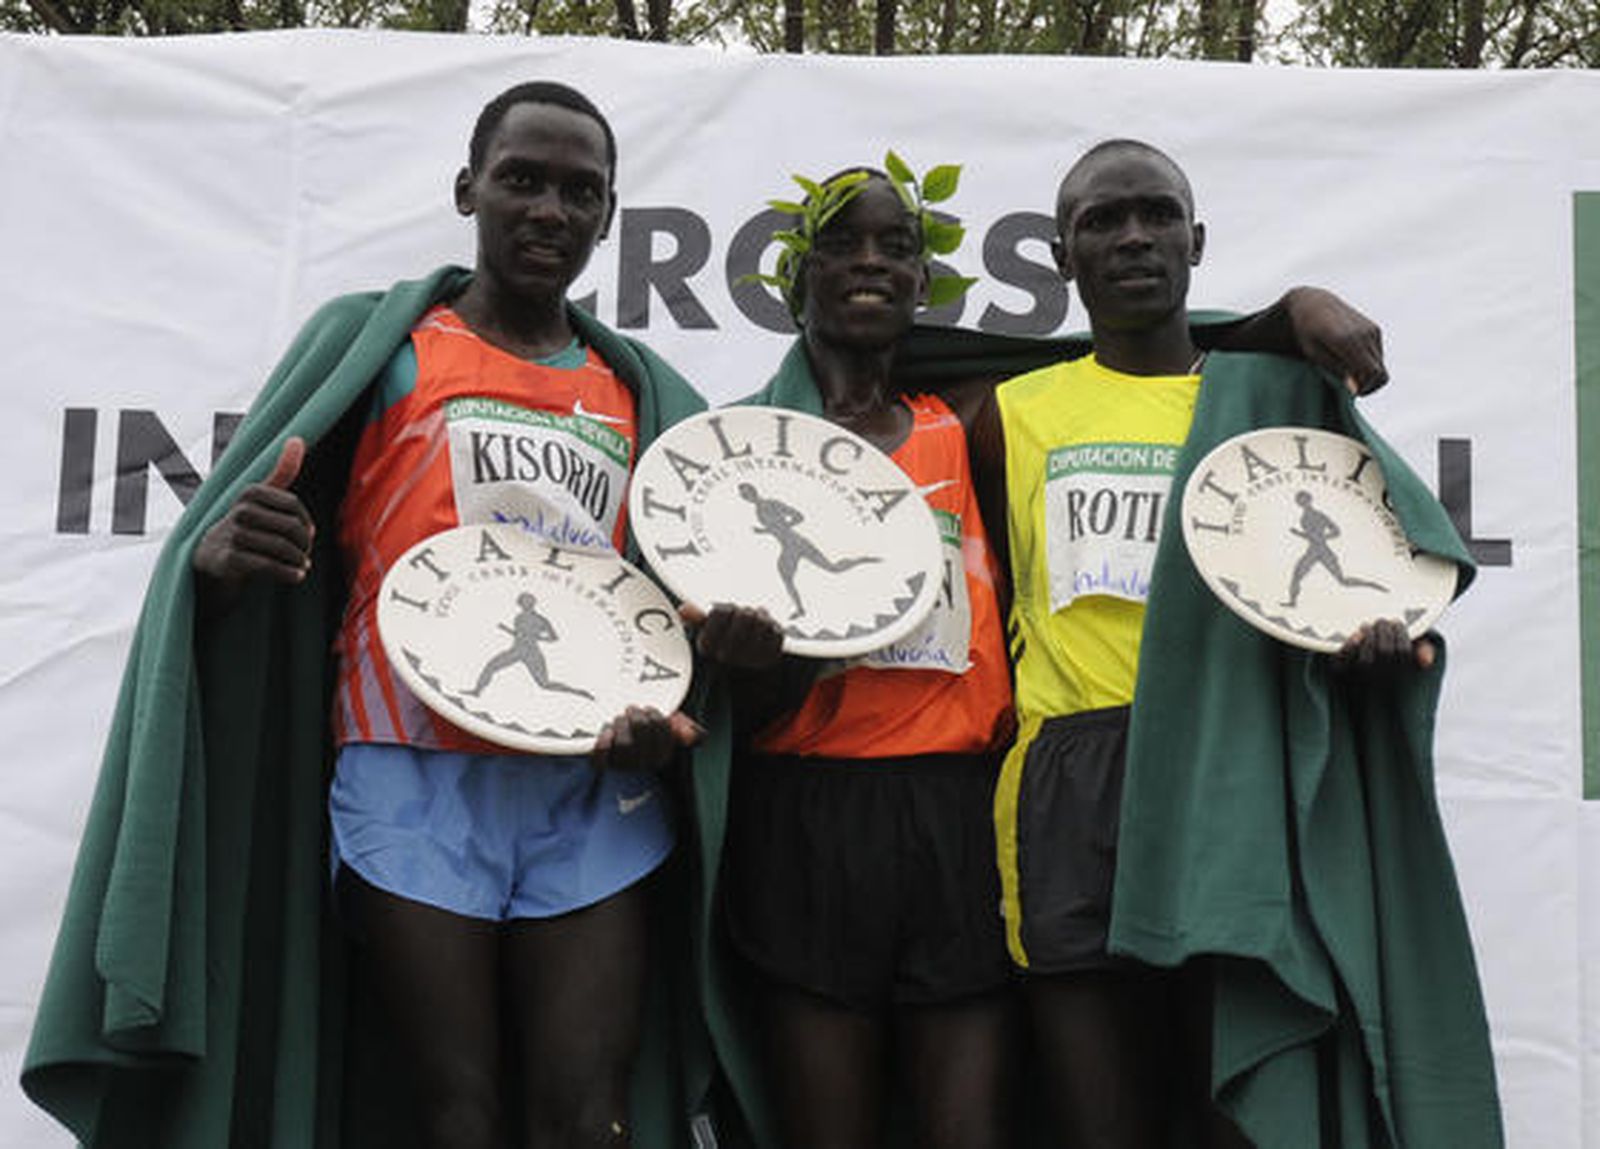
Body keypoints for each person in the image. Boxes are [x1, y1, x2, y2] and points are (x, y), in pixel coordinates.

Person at [23, 82, 710, 1149]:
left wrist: (669, 719)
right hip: (407, 765)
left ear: (608, 216)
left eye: (580, 192)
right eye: (521, 180)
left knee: (591, 1117)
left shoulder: (640, 391)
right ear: (467, 189)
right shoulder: (381, 346)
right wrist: (217, 564)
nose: (548, 211)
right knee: (450, 1109)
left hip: (587, 787)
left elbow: (675, 611)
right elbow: (224, 545)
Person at [687, 159, 1403, 1149]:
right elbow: (729, 697)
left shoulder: (969, 418)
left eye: (896, 248)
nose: (1135, 240)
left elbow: (1155, 351)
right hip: (864, 814)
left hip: (993, 804)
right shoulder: (769, 447)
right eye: (1106, 222)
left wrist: (1292, 311)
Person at [984, 139, 1502, 1147]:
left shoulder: (1273, 399)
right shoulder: (1005, 412)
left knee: (1240, 1104)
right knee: (1098, 1122)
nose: (1133, 235)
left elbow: (1369, 575)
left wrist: (1371, 651)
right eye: (1101, 220)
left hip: (1227, 776)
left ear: (1196, 239)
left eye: (1156, 212)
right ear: (1060, 256)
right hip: (1069, 781)